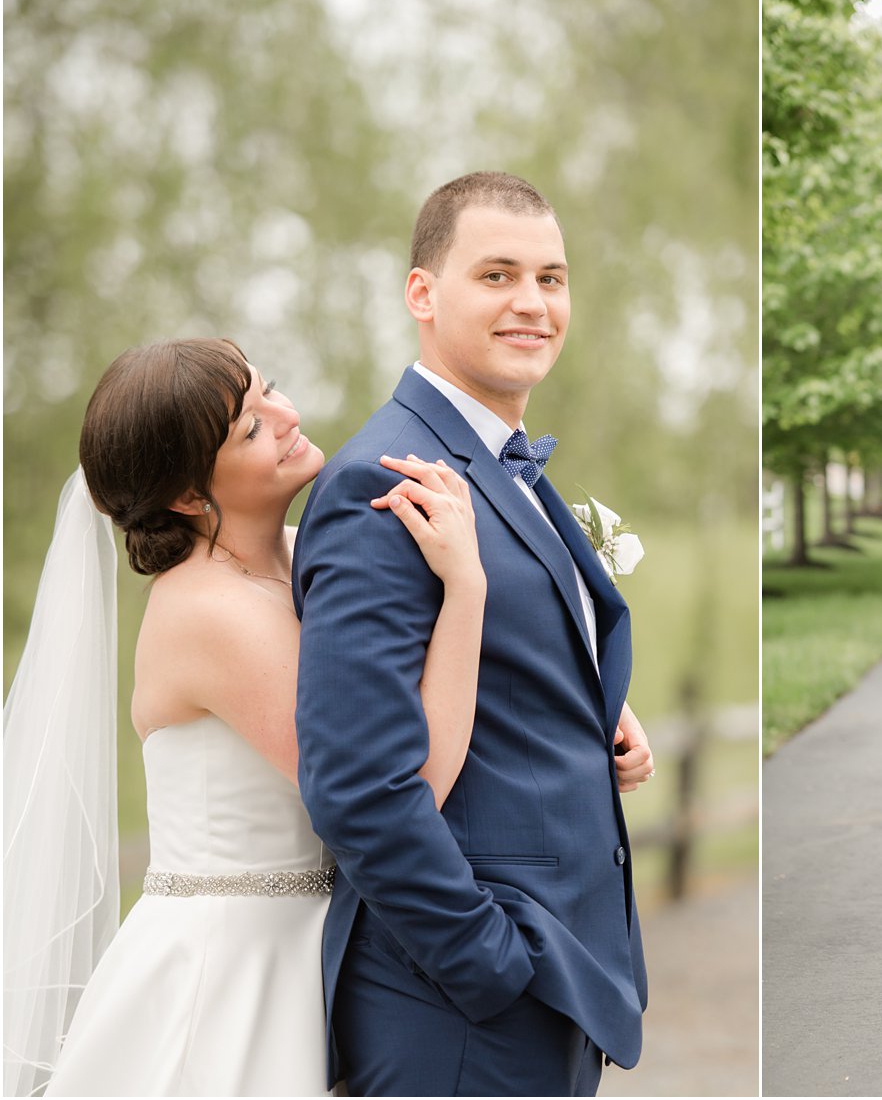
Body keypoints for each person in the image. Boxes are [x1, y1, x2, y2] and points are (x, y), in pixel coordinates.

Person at [4, 336, 490, 1096]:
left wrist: (603, 709)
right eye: (253, 427)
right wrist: (466, 591)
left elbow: (431, 678)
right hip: (229, 972)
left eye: (272, 391)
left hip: (316, 948)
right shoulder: (206, 609)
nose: (288, 416)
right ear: (190, 496)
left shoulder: (305, 556)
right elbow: (407, 785)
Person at [292, 172, 652, 1097]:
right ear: (423, 292)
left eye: (552, 277)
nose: (533, 303)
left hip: (558, 982)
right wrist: (490, 963)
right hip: (460, 1008)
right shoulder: (383, 481)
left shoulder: (498, 461)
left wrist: (595, 707)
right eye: (497, 275)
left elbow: (501, 654)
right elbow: (357, 783)